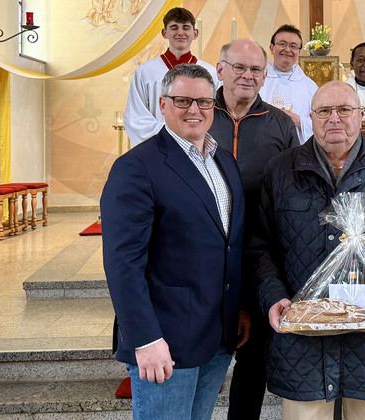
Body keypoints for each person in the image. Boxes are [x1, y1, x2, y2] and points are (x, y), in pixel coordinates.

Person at [252, 81, 365, 420]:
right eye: (324, 111)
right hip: (302, 339)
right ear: (310, 117)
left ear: (360, 115)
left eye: (344, 110)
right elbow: (261, 245)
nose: (334, 118)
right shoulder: (281, 170)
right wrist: (274, 296)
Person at [102, 64, 248, 420]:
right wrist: (145, 339)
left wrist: (239, 309)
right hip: (165, 340)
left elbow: (230, 245)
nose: (194, 110)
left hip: (218, 335)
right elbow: (123, 264)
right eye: (183, 101)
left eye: (203, 102)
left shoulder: (224, 161)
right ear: (163, 104)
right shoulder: (136, 167)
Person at [209, 39, 299, 420]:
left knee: (252, 362)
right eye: (239, 67)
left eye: (256, 70)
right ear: (220, 70)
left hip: (258, 255)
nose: (247, 76)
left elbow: (294, 191)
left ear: (265, 76)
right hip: (206, 258)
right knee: (203, 355)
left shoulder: (280, 124)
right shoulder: (199, 114)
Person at [123, 7, 218, 145]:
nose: (180, 32)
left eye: (186, 27)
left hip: (197, 147)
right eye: (174, 27)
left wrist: (194, 137)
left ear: (195, 33)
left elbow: (215, 115)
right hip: (159, 146)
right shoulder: (145, 72)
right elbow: (136, 117)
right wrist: (170, 137)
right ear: (164, 33)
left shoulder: (211, 73)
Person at [260, 24, 319, 144]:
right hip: (261, 146)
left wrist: (299, 121)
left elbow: (322, 123)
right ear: (271, 47)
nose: (287, 50)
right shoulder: (257, 79)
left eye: (293, 46)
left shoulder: (310, 87)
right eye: (282, 44)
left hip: (297, 149)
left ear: (299, 52)